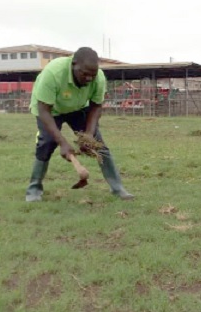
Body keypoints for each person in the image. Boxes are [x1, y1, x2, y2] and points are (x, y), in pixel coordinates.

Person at [25, 47, 134, 202]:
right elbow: (44, 111)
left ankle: (118, 188)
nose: (89, 78)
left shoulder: (99, 78)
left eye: (92, 75)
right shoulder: (53, 74)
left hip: (78, 108)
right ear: (73, 64)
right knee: (46, 143)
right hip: (50, 110)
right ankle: (34, 190)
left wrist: (89, 135)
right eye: (84, 74)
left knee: (98, 144)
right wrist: (62, 143)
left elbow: (96, 106)